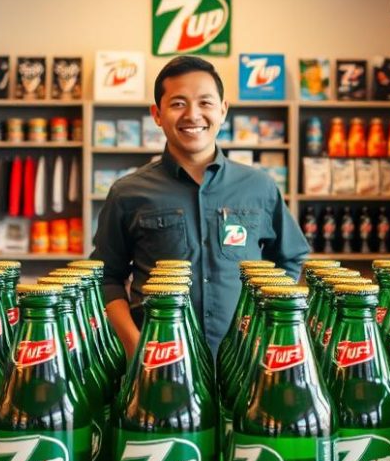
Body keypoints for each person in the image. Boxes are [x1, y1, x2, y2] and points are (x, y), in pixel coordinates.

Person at [91, 56, 309, 358]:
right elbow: (106, 277)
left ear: (223, 109)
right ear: (157, 114)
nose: (193, 115)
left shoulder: (259, 186)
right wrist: (134, 343)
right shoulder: (127, 192)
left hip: (247, 359)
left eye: (205, 103)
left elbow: (290, 258)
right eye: (178, 103)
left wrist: (268, 322)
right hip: (160, 361)